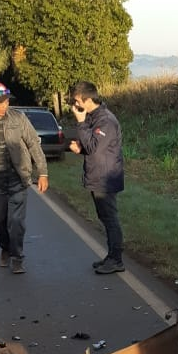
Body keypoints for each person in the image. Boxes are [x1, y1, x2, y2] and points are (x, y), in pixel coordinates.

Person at [0, 82, 49, 274]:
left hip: (18, 179)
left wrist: (42, 172)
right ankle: (5, 249)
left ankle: (17, 256)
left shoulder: (18, 118)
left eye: (7, 100)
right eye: (0, 101)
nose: (5, 104)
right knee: (0, 221)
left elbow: (33, 143)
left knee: (16, 221)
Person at [68, 81, 125, 274]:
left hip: (105, 177)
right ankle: (111, 256)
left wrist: (81, 122)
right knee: (105, 217)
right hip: (98, 174)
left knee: (110, 218)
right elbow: (92, 147)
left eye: (77, 101)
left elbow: (94, 147)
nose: (74, 105)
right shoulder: (95, 117)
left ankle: (116, 260)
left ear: (88, 99)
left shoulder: (105, 121)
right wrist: (80, 149)